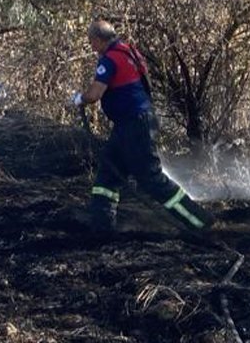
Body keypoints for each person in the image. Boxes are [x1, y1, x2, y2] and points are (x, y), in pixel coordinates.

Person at [70, 20, 213, 233]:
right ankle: (101, 226)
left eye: (91, 41)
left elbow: (95, 94)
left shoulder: (109, 60)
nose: (91, 47)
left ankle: (199, 220)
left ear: (99, 40)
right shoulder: (129, 51)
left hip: (134, 125)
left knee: (150, 178)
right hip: (133, 123)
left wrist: (79, 99)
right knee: (109, 173)